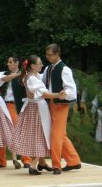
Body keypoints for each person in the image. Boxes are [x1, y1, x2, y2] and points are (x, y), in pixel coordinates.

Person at [11, 55, 66, 175]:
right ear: (33, 66)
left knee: (36, 135)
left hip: (32, 108)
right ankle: (32, 165)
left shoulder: (33, 76)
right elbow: (44, 94)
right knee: (40, 136)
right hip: (36, 109)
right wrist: (58, 95)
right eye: (39, 63)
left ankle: (42, 163)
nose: (42, 65)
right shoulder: (32, 79)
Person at [42, 43, 81, 175]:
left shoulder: (65, 69)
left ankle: (56, 165)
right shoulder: (48, 69)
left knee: (56, 135)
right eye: (46, 54)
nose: (47, 57)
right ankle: (73, 161)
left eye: (50, 54)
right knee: (61, 134)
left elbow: (71, 89)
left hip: (60, 104)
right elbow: (41, 83)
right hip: (50, 103)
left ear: (57, 54)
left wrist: (64, 96)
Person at [0, 56, 32, 168]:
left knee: (20, 131)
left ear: (17, 63)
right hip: (3, 105)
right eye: (8, 62)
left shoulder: (23, 75)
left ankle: (26, 160)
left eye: (10, 62)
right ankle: (1, 161)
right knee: (1, 132)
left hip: (16, 106)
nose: (8, 64)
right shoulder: (5, 74)